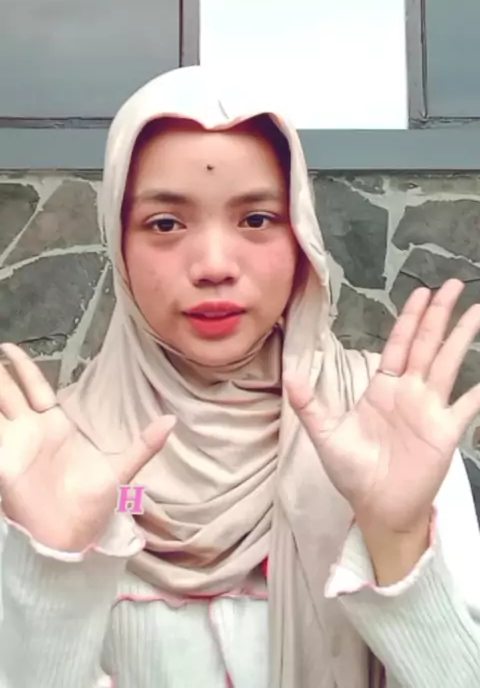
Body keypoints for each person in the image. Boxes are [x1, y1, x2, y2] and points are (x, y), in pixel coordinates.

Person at [0, 66, 480, 688]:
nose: (214, 265)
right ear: (118, 245)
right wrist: (52, 574)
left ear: (301, 237)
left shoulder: (385, 433)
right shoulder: (49, 466)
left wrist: (397, 540)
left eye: (256, 219)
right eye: (165, 224)